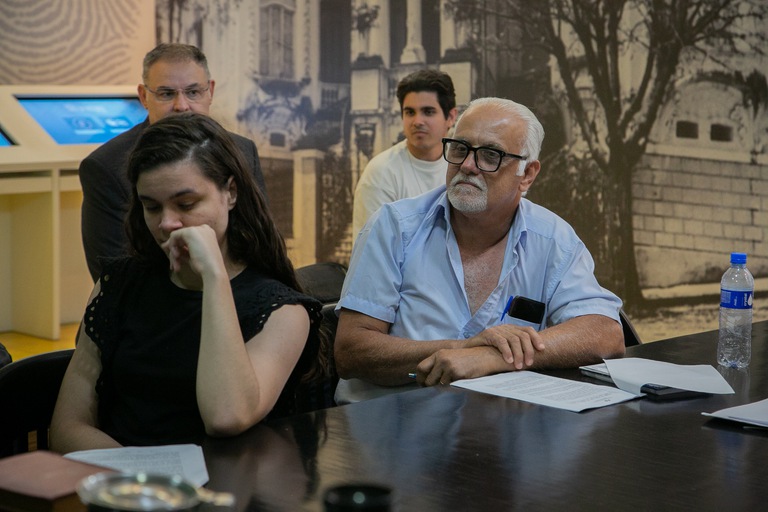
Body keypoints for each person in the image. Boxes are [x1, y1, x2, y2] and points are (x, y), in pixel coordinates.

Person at [51, 112, 323, 451]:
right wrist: (143, 476)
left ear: (230, 192)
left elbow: (226, 417)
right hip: (125, 476)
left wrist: (214, 275)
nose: (167, 223)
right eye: (152, 207)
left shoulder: (282, 310)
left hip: (225, 480)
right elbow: (67, 427)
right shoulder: (119, 285)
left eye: (186, 204)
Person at [334, 97, 625, 404]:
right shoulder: (395, 227)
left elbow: (605, 333)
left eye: (490, 155)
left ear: (527, 174)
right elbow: (351, 352)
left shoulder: (552, 238)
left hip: (497, 423)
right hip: (389, 418)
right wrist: (464, 349)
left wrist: (493, 358)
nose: (468, 166)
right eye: (460, 149)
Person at [79, 42, 267, 282]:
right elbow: (114, 277)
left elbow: (259, 244)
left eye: (193, 92)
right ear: (144, 96)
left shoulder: (242, 151)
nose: (182, 106)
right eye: (167, 94)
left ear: (210, 91)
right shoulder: (106, 166)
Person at [351, 69, 457, 236]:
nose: (417, 121)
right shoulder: (381, 173)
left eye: (428, 112)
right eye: (410, 112)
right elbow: (373, 248)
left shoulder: (463, 166)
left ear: (450, 117)